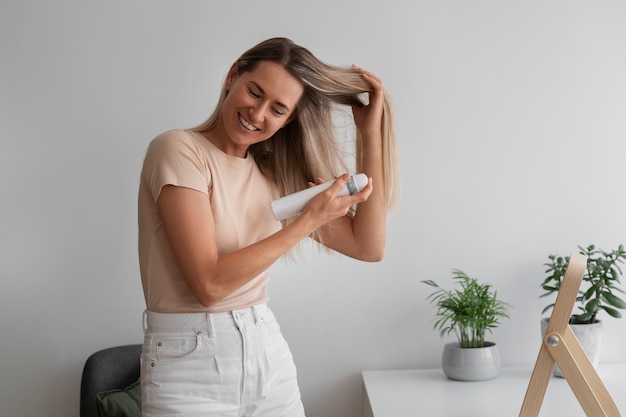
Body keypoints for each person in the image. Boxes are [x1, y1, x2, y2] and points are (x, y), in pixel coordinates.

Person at [137, 37, 399, 417]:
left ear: (289, 119)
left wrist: (369, 135)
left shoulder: (274, 174)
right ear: (232, 76)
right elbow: (209, 285)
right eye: (254, 92)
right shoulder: (178, 150)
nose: (257, 114)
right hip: (187, 370)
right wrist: (307, 220)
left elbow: (369, 247)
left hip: (266, 358)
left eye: (277, 109)